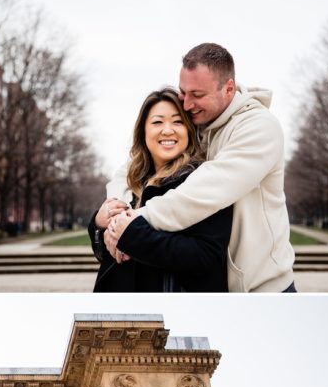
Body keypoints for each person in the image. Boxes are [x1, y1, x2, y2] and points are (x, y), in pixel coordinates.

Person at [101, 43, 295, 292]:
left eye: (198, 95)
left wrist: (132, 222)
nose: (187, 104)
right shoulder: (200, 123)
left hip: (263, 289)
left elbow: (201, 192)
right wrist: (116, 209)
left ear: (228, 88)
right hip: (220, 289)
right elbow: (132, 167)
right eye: (184, 92)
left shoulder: (259, 128)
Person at [88, 89, 231, 292]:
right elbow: (108, 255)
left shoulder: (203, 180)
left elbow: (207, 256)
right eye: (157, 122)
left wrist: (133, 236)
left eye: (177, 121)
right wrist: (98, 224)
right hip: (121, 311)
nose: (167, 130)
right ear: (143, 131)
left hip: (173, 312)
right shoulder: (131, 180)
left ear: (189, 130)